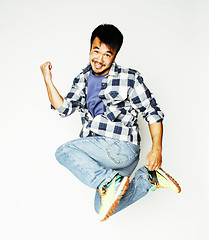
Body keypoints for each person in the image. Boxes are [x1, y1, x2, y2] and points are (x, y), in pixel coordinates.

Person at [40, 24, 181, 221]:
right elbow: (63, 109)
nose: (99, 59)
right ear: (90, 49)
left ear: (115, 56)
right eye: (96, 51)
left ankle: (109, 180)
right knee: (102, 208)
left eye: (107, 54)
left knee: (63, 152)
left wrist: (157, 148)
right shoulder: (82, 79)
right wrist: (48, 80)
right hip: (104, 155)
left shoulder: (129, 78)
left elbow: (152, 113)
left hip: (122, 146)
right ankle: (147, 179)